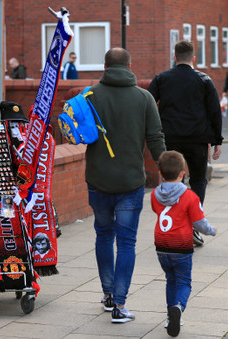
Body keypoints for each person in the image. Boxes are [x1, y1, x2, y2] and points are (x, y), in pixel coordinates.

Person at [87, 47, 165, 323]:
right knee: (127, 242)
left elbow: (75, 133)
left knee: (103, 236)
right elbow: (155, 138)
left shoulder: (89, 96)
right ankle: (120, 305)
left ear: (104, 65)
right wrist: (168, 173)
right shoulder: (144, 98)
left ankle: (108, 294)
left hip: (98, 180)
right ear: (130, 65)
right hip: (131, 182)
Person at [148, 40, 222, 247]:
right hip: (198, 139)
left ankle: (172, 224)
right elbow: (214, 111)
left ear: (174, 57)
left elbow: (148, 102)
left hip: (171, 138)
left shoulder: (162, 78)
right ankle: (192, 225)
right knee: (198, 180)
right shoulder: (204, 80)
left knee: (172, 181)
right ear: (193, 58)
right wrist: (217, 141)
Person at [151, 150, 217, 337]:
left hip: (161, 245)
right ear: (182, 173)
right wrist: (211, 230)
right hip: (181, 246)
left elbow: (158, 210)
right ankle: (178, 309)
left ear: (161, 173)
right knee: (184, 281)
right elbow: (199, 224)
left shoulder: (155, 194)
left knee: (170, 280)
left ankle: (169, 316)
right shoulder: (190, 197)